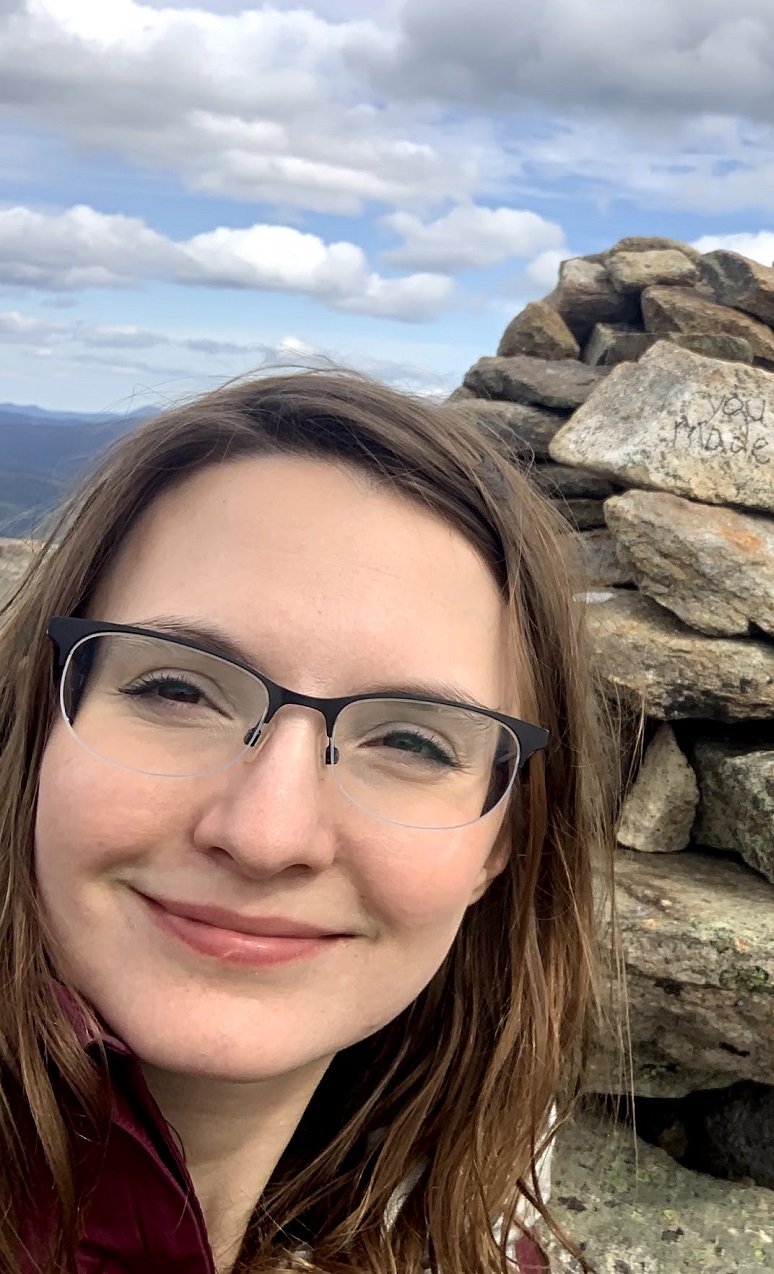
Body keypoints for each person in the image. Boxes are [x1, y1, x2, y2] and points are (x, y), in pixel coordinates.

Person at [0, 371, 615, 1273]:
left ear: (501, 844)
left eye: (410, 741)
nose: (267, 835)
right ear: (39, 725)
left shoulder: (471, 1244)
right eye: (177, 690)